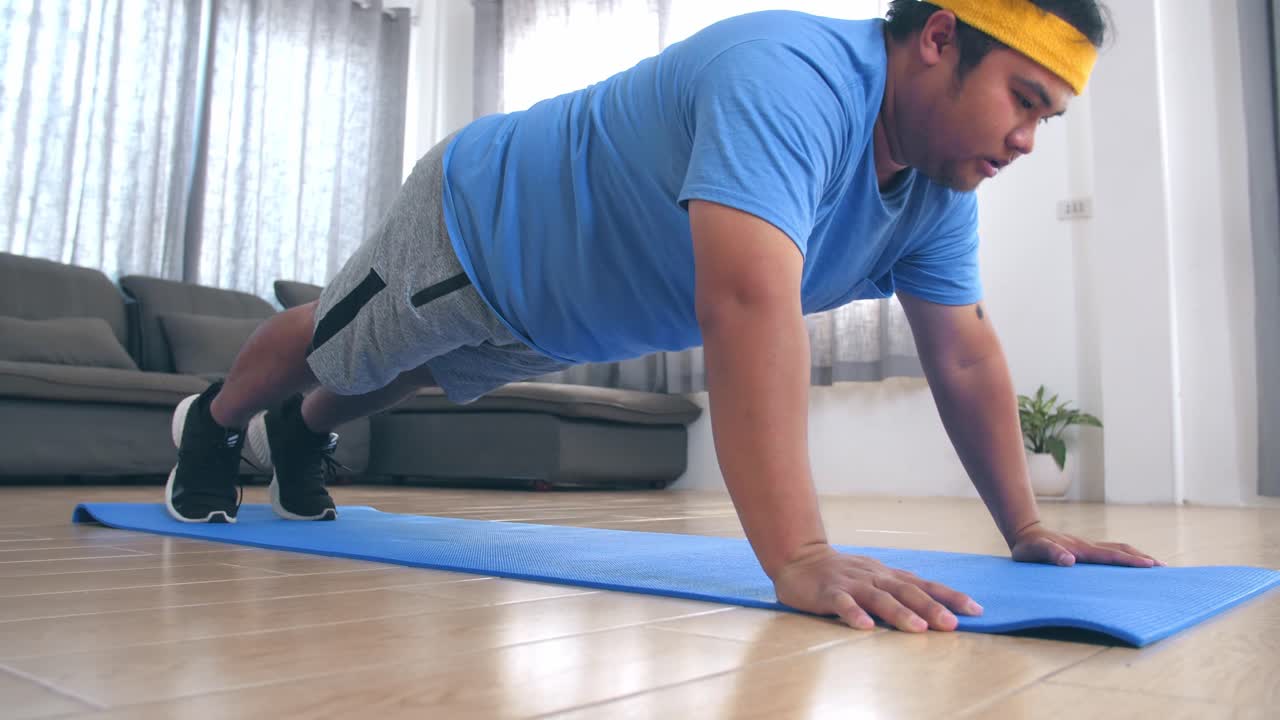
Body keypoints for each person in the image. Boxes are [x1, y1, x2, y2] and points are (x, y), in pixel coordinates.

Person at [164, 0, 1163, 633]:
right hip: (476, 224)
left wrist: (1026, 527)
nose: (1026, 140)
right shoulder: (792, 77)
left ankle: (298, 433)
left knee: (408, 370)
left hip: (560, 316)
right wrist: (799, 557)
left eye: (1047, 118)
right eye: (1021, 100)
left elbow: (965, 357)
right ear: (939, 38)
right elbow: (747, 303)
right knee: (342, 342)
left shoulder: (936, 195)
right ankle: (211, 424)